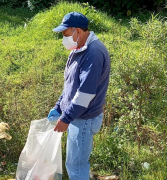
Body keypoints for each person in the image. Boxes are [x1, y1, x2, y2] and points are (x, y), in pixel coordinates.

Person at [47, 12, 110, 180]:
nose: (64, 38)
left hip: (84, 119)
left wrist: (66, 118)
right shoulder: (78, 49)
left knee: (77, 166)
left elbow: (85, 94)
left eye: (66, 34)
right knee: (74, 163)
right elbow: (70, 85)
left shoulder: (93, 53)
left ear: (77, 31)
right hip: (77, 116)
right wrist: (58, 106)